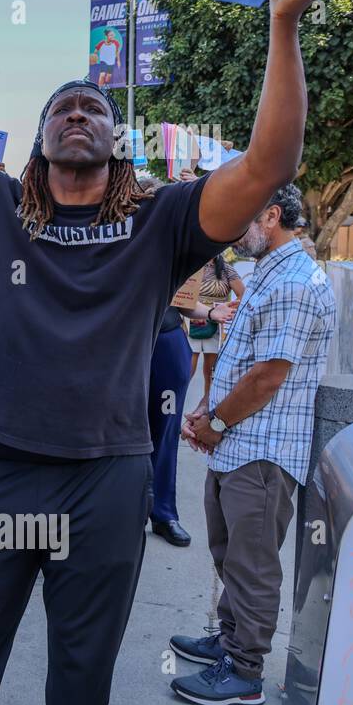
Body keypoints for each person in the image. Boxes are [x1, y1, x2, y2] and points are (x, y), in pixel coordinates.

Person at [0, 0, 328, 705]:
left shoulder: (165, 218)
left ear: (116, 141)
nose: (78, 114)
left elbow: (268, 165)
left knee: (81, 676)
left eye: (94, 108)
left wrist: (283, 26)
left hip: (106, 483)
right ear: (43, 135)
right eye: (63, 108)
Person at [172, 184, 335, 705]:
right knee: (229, 553)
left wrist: (215, 421)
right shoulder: (270, 273)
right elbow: (242, 358)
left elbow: (267, 378)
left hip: (262, 450)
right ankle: (229, 639)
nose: (232, 229)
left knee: (252, 563)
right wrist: (206, 411)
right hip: (237, 444)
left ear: (271, 215)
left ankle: (244, 673)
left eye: (242, 218)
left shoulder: (294, 281)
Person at [139, 177, 239, 548]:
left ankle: (163, 513)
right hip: (124, 345)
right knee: (119, 430)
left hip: (166, 343)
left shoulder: (179, 248)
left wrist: (211, 310)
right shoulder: (116, 243)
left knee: (165, 432)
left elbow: (183, 301)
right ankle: (124, 511)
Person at [187, 253, 245, 401]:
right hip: (190, 323)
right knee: (186, 371)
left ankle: (207, 409)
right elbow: (180, 294)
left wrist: (225, 309)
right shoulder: (190, 266)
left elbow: (243, 295)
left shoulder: (227, 270)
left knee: (211, 372)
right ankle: (176, 408)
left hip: (216, 327)